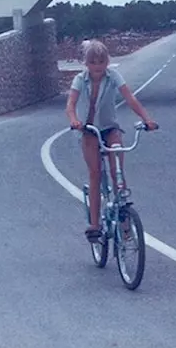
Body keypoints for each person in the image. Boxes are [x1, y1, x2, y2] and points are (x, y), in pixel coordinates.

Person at [66, 39, 158, 243]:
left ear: (107, 61)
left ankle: (125, 224)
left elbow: (130, 98)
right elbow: (70, 104)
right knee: (95, 174)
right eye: (93, 62)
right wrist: (74, 120)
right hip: (89, 130)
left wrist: (147, 119)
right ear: (86, 63)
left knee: (118, 171)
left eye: (101, 62)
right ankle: (95, 224)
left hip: (110, 129)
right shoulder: (80, 80)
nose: (98, 66)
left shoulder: (113, 76)